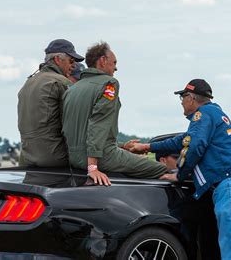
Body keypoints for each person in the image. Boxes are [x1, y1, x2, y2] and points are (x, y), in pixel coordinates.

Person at [129, 79, 231, 260]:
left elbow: (194, 146)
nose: (181, 102)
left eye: (182, 97)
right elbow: (183, 140)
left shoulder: (202, 115)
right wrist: (147, 147)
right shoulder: (215, 113)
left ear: (191, 98)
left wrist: (180, 175)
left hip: (230, 186)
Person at [62, 41, 167, 185]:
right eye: (114, 62)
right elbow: (98, 124)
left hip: (73, 159)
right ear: (103, 61)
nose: (116, 68)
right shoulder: (109, 84)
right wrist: (93, 167)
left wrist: (123, 146)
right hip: (100, 157)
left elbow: (80, 130)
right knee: (162, 169)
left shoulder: (72, 89)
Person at [17, 39, 84, 167]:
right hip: (55, 160)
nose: (74, 65)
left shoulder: (28, 83)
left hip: (27, 159)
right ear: (58, 59)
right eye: (71, 60)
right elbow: (75, 128)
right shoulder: (62, 83)